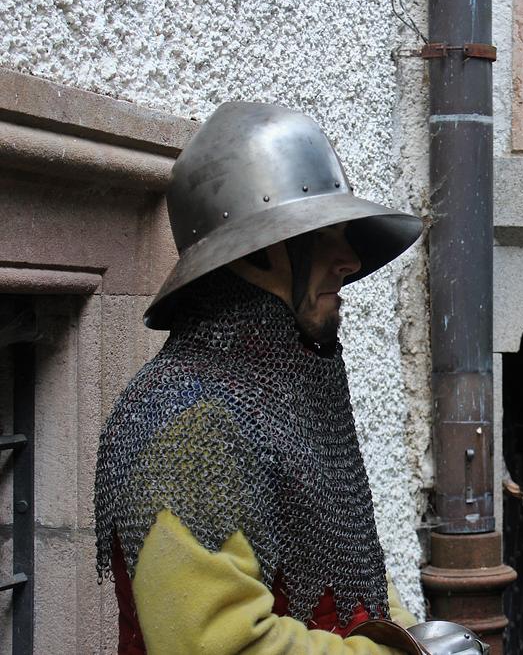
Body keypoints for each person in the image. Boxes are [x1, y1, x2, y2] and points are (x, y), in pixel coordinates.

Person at [94, 102, 427, 654]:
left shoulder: (280, 400)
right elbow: (216, 645)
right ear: (256, 253)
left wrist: (410, 638)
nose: (349, 260)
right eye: (324, 235)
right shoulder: (190, 421)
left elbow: (353, 577)